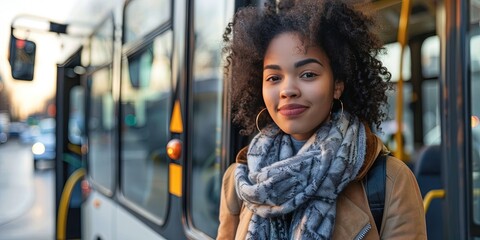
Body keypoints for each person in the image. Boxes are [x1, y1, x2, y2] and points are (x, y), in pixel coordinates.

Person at [217, 0, 427, 239]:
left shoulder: (391, 181)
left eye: (308, 74)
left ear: (337, 85)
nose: (288, 90)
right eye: (274, 78)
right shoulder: (239, 180)